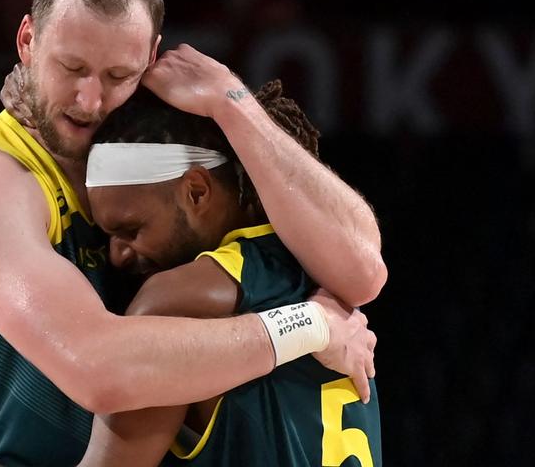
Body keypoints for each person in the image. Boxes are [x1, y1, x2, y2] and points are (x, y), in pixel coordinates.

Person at [0, 0, 384, 465]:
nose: (90, 100)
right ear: (27, 40)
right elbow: (100, 370)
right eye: (70, 67)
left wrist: (232, 101)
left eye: (119, 75)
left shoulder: (151, 147)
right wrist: (309, 325)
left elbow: (363, 270)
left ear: (149, 58)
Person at [73, 82, 382, 466]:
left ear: (198, 192)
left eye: (130, 230)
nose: (117, 255)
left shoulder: (177, 299)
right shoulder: (324, 274)